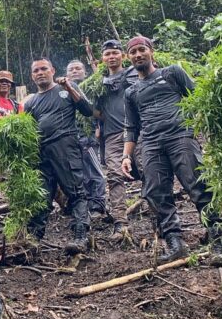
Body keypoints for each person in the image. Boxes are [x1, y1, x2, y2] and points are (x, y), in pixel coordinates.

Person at [121, 36, 222, 265]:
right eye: (133, 52)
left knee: (198, 186)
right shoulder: (131, 92)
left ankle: (218, 242)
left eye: (142, 50)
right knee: (156, 193)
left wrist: (211, 132)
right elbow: (131, 127)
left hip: (180, 136)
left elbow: (198, 99)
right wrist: (126, 155)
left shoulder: (171, 73)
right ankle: (175, 243)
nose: (138, 55)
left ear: (151, 51)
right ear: (128, 57)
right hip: (150, 144)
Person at [24, 58, 93, 254]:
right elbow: (28, 131)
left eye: (44, 68)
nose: (40, 73)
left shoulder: (66, 89)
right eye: (36, 70)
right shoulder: (31, 103)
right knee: (42, 196)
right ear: (32, 76)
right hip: (42, 152)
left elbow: (87, 111)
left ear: (52, 70)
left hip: (65, 145)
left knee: (76, 191)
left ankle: (81, 236)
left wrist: (69, 87)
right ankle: (33, 241)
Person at [93, 40, 141, 239]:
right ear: (102, 59)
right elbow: (95, 110)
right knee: (114, 175)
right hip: (112, 134)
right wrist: (99, 125)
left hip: (138, 132)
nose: (111, 57)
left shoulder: (134, 74)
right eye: (107, 54)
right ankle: (120, 223)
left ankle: (159, 219)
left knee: (149, 170)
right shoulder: (99, 83)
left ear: (122, 55)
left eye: (115, 53)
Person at [66, 60, 107, 221]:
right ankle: (81, 206)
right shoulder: (64, 91)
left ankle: (97, 205)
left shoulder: (92, 88)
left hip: (89, 136)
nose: (75, 71)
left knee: (94, 171)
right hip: (71, 139)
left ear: (85, 72)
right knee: (77, 174)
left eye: (78, 68)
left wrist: (98, 127)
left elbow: (98, 110)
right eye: (71, 69)